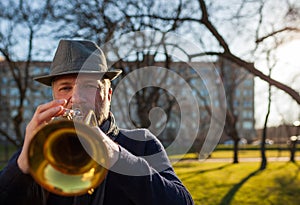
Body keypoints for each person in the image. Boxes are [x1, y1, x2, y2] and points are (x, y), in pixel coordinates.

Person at [0, 39, 194, 205]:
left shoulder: (141, 141)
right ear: (53, 95)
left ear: (108, 94)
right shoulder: (39, 150)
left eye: (89, 86)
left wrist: (116, 156)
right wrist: (21, 165)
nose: (76, 98)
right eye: (65, 88)